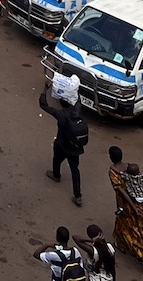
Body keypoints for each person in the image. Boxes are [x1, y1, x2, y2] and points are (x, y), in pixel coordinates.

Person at [40, 76, 88, 206]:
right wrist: (75, 89)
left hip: (62, 144)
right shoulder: (77, 110)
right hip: (75, 148)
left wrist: (45, 88)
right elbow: (78, 99)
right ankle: (77, 196)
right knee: (75, 169)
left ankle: (56, 175)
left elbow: (43, 105)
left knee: (57, 159)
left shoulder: (60, 114)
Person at [107, 145, 143, 272]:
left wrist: (131, 206)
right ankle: (120, 243)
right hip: (139, 202)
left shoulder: (113, 172)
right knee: (128, 225)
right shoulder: (131, 167)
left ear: (111, 157)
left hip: (127, 205)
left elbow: (121, 191)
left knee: (134, 230)